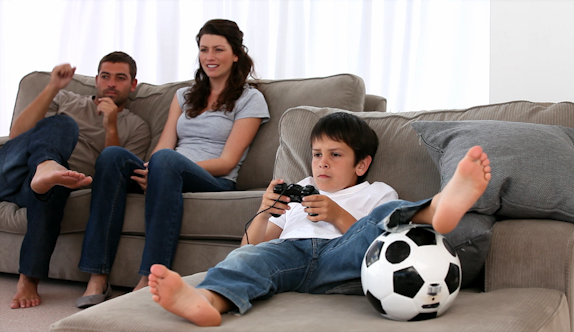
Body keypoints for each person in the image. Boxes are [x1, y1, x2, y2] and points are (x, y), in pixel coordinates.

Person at [147, 112, 492, 327]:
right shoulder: (300, 188)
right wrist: (265, 210)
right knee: (245, 261)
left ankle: (438, 209)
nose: (322, 163)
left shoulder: (374, 191)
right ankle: (207, 301)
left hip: (340, 258)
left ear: (361, 165)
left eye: (335, 155)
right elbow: (249, 247)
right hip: (288, 255)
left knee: (385, 215)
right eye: (316, 154)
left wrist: (337, 214)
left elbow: (379, 245)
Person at [76, 19, 270, 308]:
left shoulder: (250, 98)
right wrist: (151, 170)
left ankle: (149, 279)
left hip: (213, 179)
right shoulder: (184, 95)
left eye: (218, 49)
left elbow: (227, 161)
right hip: (167, 169)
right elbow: (164, 145)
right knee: (112, 156)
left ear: (236, 54)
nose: (210, 57)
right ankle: (97, 276)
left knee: (166, 160)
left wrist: (163, 167)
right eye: (204, 50)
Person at [2, 51, 151, 309]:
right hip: (15, 168)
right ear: (96, 80)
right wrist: (53, 86)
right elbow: (16, 134)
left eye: (120, 78)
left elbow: (113, 176)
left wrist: (111, 125)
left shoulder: (137, 126)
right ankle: (46, 164)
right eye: (105, 76)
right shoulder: (66, 99)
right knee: (62, 125)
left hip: (40, 188)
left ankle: (28, 279)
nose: (111, 84)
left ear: (133, 84)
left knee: (58, 185)